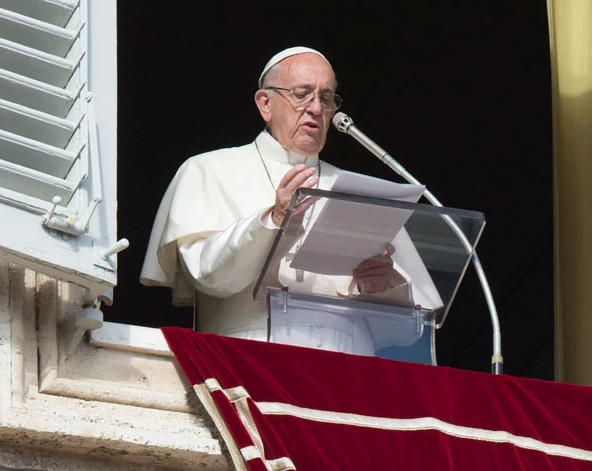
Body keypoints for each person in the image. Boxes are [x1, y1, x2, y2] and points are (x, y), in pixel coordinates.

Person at [140, 47, 435, 356]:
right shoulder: (207, 170)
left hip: (351, 367)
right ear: (265, 104)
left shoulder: (360, 191)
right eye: (302, 94)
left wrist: (384, 285)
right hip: (249, 357)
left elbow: (406, 335)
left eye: (326, 98)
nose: (315, 108)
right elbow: (210, 276)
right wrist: (273, 220)